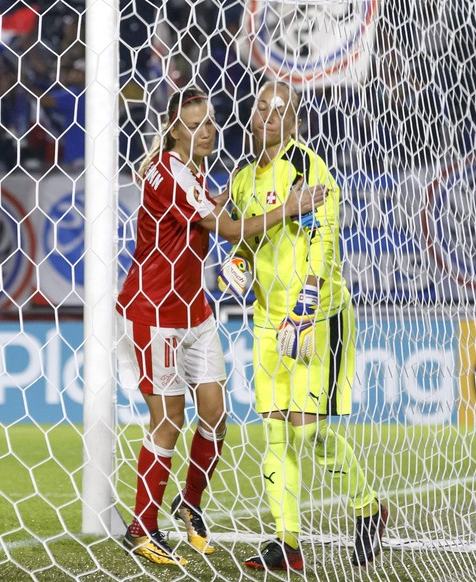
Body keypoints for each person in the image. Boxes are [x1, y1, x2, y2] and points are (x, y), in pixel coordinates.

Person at [116, 86, 326, 566]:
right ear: (173, 129)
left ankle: (188, 508)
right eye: (195, 123)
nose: (208, 130)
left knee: (214, 417)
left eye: (209, 120)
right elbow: (229, 230)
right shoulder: (168, 174)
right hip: (154, 313)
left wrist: (228, 189)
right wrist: (289, 207)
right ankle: (141, 527)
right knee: (168, 420)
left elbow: (207, 206)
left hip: (196, 312)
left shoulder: (191, 172)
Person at [228, 81, 388, 571]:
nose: (271, 115)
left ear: (295, 120)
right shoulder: (242, 180)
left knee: (307, 431)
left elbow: (324, 236)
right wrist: (236, 264)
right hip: (267, 320)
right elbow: (249, 240)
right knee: (275, 432)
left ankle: (369, 508)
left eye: (282, 109)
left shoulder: (305, 166)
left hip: (315, 316)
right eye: (263, 107)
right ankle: (286, 543)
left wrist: (309, 296)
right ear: (252, 116)